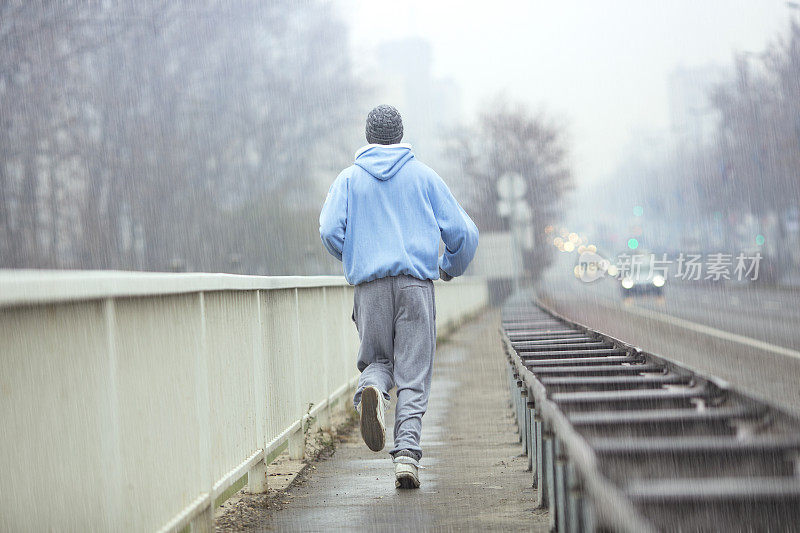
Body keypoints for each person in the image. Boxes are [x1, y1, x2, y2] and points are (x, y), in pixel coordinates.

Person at [319, 104, 479, 489]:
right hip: (415, 285)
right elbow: (465, 234)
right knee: (413, 373)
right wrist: (448, 267)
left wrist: (356, 254)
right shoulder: (424, 177)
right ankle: (406, 455)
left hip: (370, 286)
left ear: (369, 136)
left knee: (377, 360)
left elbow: (328, 229)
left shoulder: (349, 180)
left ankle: (371, 390)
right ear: (400, 134)